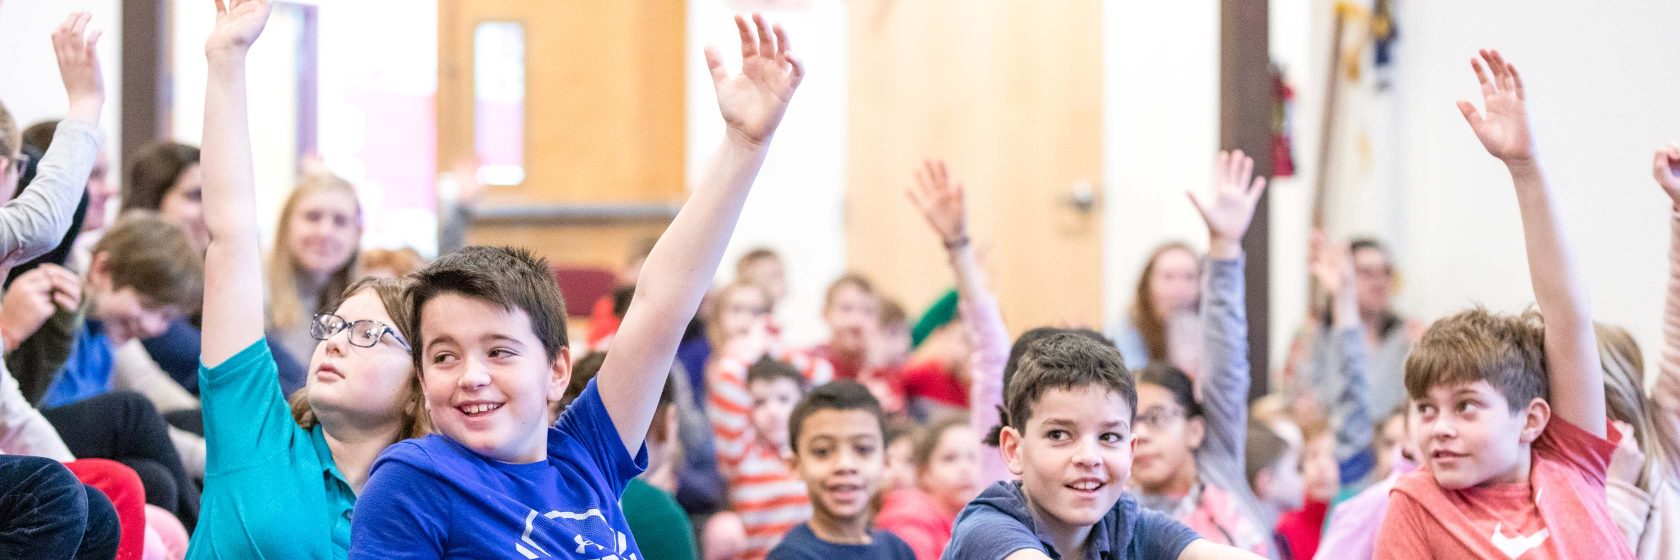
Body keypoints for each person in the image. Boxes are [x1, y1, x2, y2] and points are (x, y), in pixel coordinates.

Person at [346, 13, 804, 558]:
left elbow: (661, 305)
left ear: (557, 370)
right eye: (443, 357)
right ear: (421, 378)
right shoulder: (414, 481)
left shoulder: (586, 454)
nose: (471, 376)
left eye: (499, 351)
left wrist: (743, 148)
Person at [188, 2, 431, 556]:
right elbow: (230, 237)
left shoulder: (430, 501)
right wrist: (226, 60)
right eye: (335, 327)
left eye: (367, 334)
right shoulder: (254, 432)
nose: (337, 343)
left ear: (419, 384)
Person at [1371, 49, 1632, 559]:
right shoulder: (1417, 504)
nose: (1439, 427)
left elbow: (1567, 313)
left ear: (1531, 421)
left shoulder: (1569, 462)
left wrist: (1525, 168)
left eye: (1465, 406)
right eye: (1426, 409)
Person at [943, 333, 1262, 560]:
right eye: (1058, 435)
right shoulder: (988, 527)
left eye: (1109, 437)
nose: (1088, 457)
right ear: (1014, 450)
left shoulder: (1127, 524)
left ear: (1130, 451)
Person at [1125, 152, 1276, 556]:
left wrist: (1224, 246)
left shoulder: (1216, 461)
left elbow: (1226, 364)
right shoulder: (1118, 514)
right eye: (1122, 428)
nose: (1137, 437)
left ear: (1195, 431)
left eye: (1155, 418)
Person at [768, 381, 916, 560]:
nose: (845, 465)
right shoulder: (790, 556)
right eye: (822, 451)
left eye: (863, 449)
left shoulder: (898, 550)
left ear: (886, 462)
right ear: (794, 465)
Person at [875, 416, 981, 559]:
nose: (965, 468)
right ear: (924, 473)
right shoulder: (910, 516)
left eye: (974, 457)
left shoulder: (976, 521)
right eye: (950, 458)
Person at [1110, 242, 1200, 370]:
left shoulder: (1212, 333)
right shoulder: (1124, 335)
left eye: (1189, 277)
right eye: (1168, 277)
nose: (1180, 288)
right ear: (1147, 286)